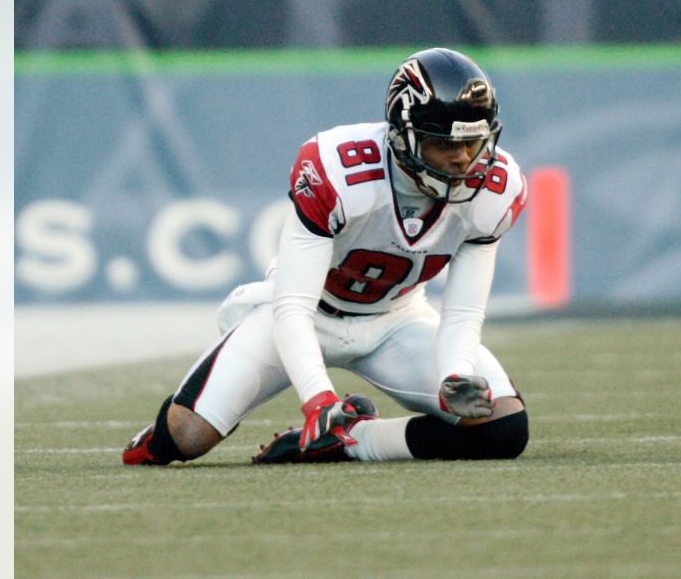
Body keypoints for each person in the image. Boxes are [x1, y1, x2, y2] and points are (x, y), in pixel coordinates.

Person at [123, 48, 530, 466]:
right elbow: (293, 306)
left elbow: (463, 313)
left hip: (397, 321)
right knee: (184, 438)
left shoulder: (496, 191)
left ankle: (355, 440)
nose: (463, 159)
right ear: (403, 136)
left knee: (502, 427)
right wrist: (318, 398)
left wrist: (453, 374)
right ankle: (165, 433)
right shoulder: (339, 171)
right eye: (444, 143)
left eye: (473, 141)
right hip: (310, 315)